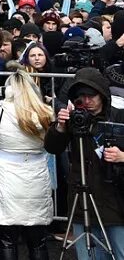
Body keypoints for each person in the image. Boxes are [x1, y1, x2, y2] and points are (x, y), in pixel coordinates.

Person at [44, 67, 124, 260]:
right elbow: (52, 148)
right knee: (88, 256)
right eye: (82, 97)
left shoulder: (119, 117)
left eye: (91, 96)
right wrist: (60, 127)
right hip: (82, 201)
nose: (87, 102)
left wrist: (122, 156)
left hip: (115, 201)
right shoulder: (75, 120)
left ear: (102, 94)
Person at [0, 69, 54, 260]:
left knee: (7, 239)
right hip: (37, 174)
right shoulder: (45, 113)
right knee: (38, 240)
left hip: (6, 175)